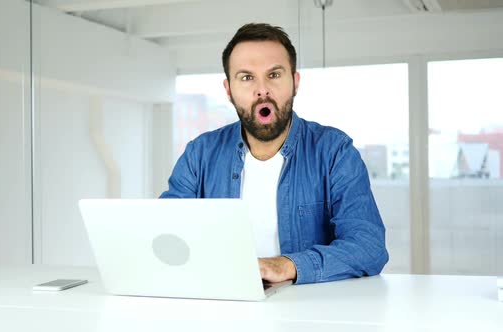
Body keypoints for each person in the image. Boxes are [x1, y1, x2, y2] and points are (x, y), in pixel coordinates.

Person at [160, 23, 389, 285]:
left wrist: (287, 266)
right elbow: (166, 234)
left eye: (274, 75)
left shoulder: (335, 152)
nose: (262, 90)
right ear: (228, 90)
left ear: (295, 82)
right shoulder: (199, 154)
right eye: (246, 77)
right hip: (221, 306)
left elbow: (369, 247)